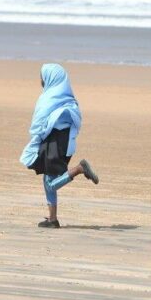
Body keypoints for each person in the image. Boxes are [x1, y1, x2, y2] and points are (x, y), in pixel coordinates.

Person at [21, 63, 99, 228]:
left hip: (54, 143)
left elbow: (38, 124)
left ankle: (79, 169)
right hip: (65, 142)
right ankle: (52, 219)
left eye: (43, 77)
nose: (41, 80)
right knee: (47, 178)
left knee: (50, 183)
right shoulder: (68, 99)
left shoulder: (48, 98)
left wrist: (35, 142)